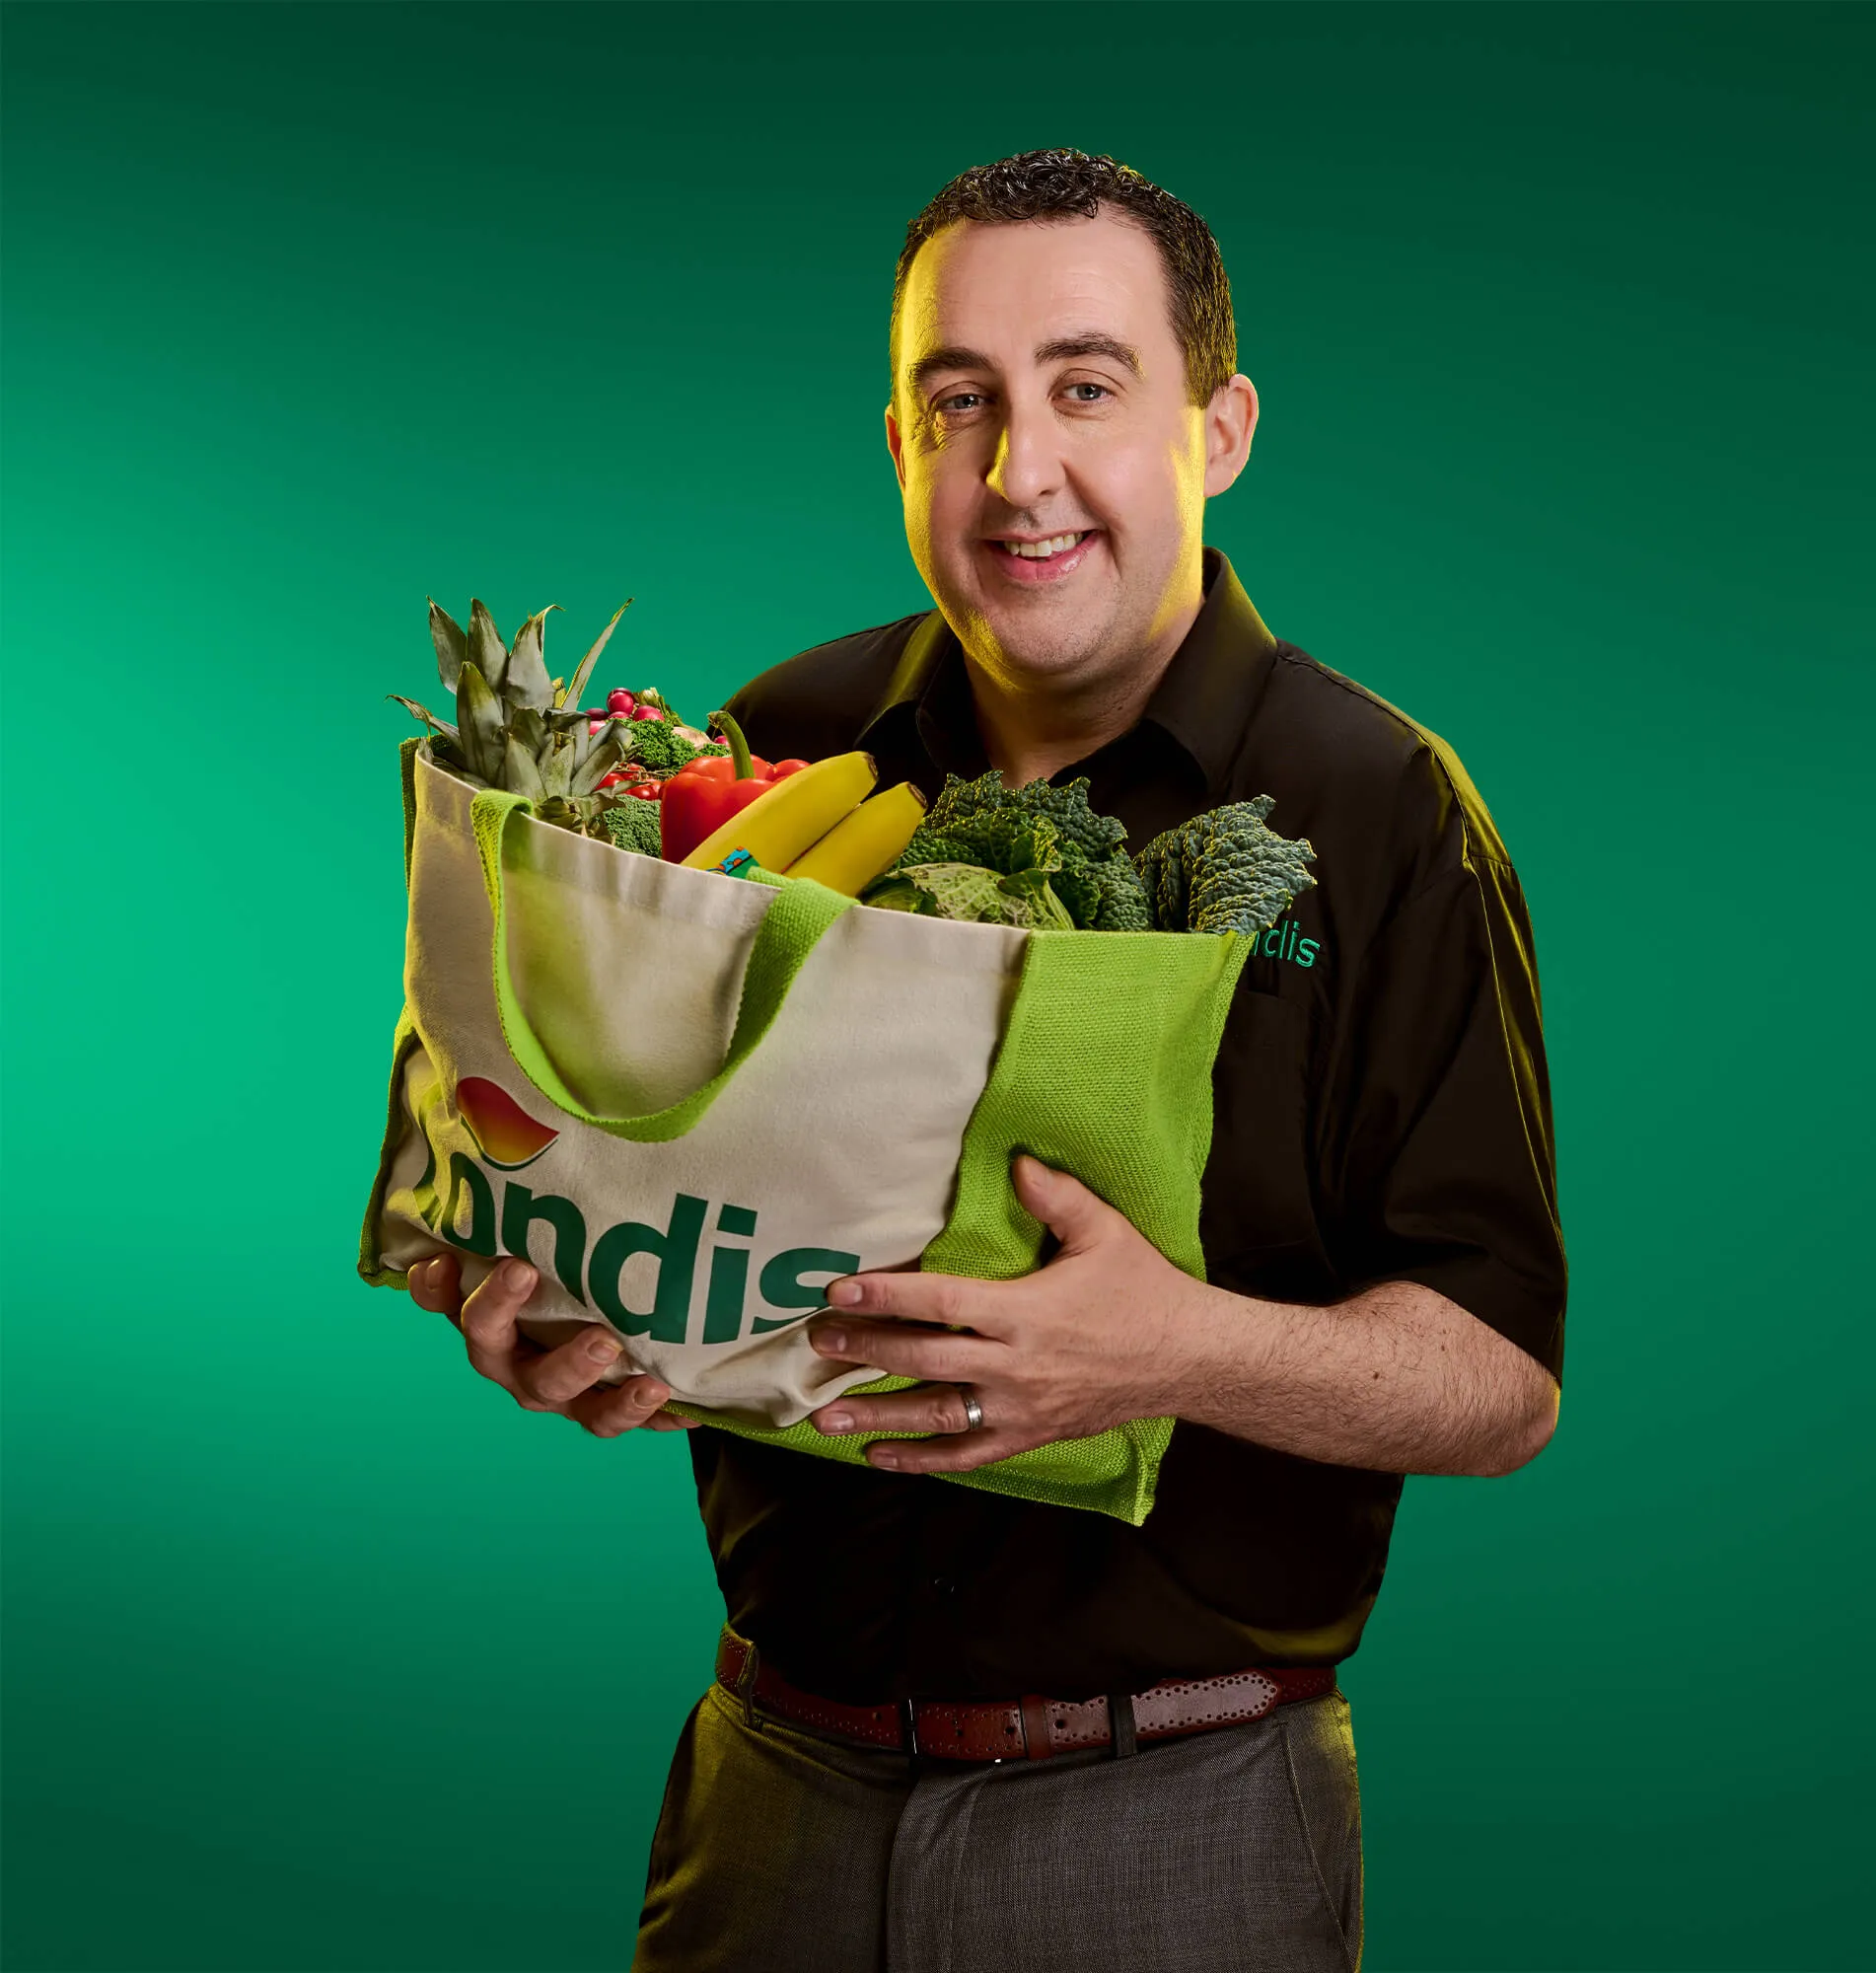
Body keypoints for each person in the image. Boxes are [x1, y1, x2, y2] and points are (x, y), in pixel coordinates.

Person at [407, 148, 1566, 1973]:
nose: (1021, 472)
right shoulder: (775, 743)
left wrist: (1177, 1349)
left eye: (1087, 388)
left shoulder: (1385, 814)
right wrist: (571, 1304)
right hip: (766, 1789)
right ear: (898, 443)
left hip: (1180, 1824)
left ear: (1221, 424)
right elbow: (659, 1174)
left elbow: (1499, 1382)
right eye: (963, 403)